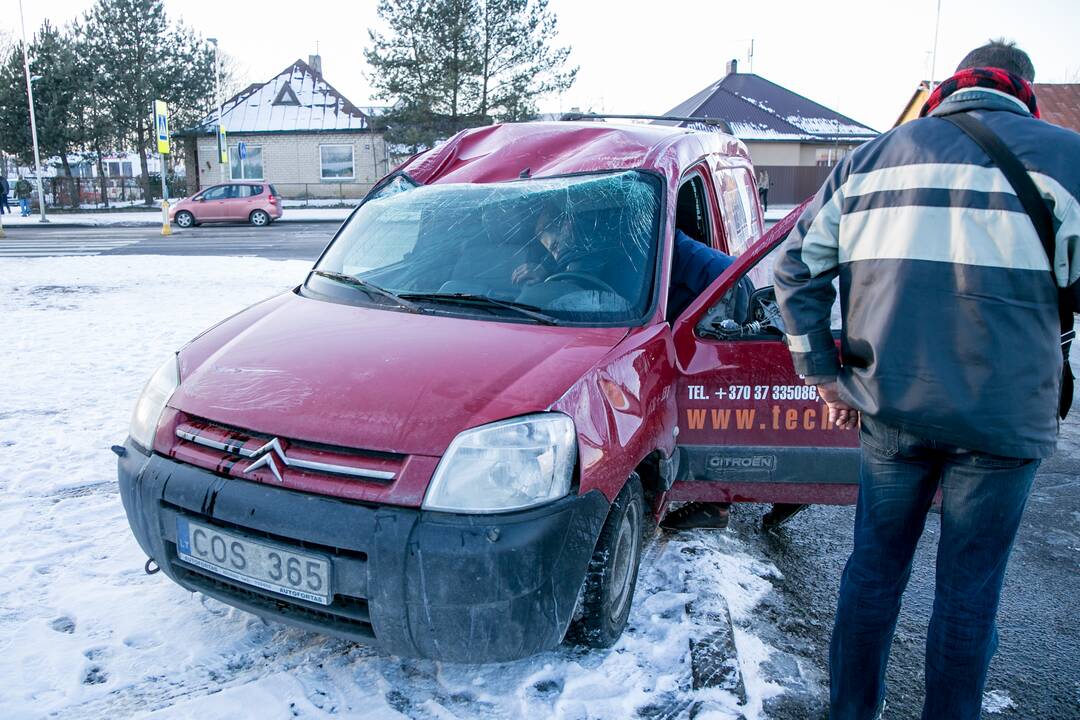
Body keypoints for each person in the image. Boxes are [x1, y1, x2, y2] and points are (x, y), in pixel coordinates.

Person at [773, 40, 1080, 720]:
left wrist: (822, 375)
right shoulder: (1068, 161)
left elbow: (794, 269)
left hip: (890, 408)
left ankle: (850, 713)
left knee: (873, 577)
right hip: (1004, 422)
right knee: (969, 597)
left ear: (952, 86)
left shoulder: (870, 159)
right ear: (1024, 91)